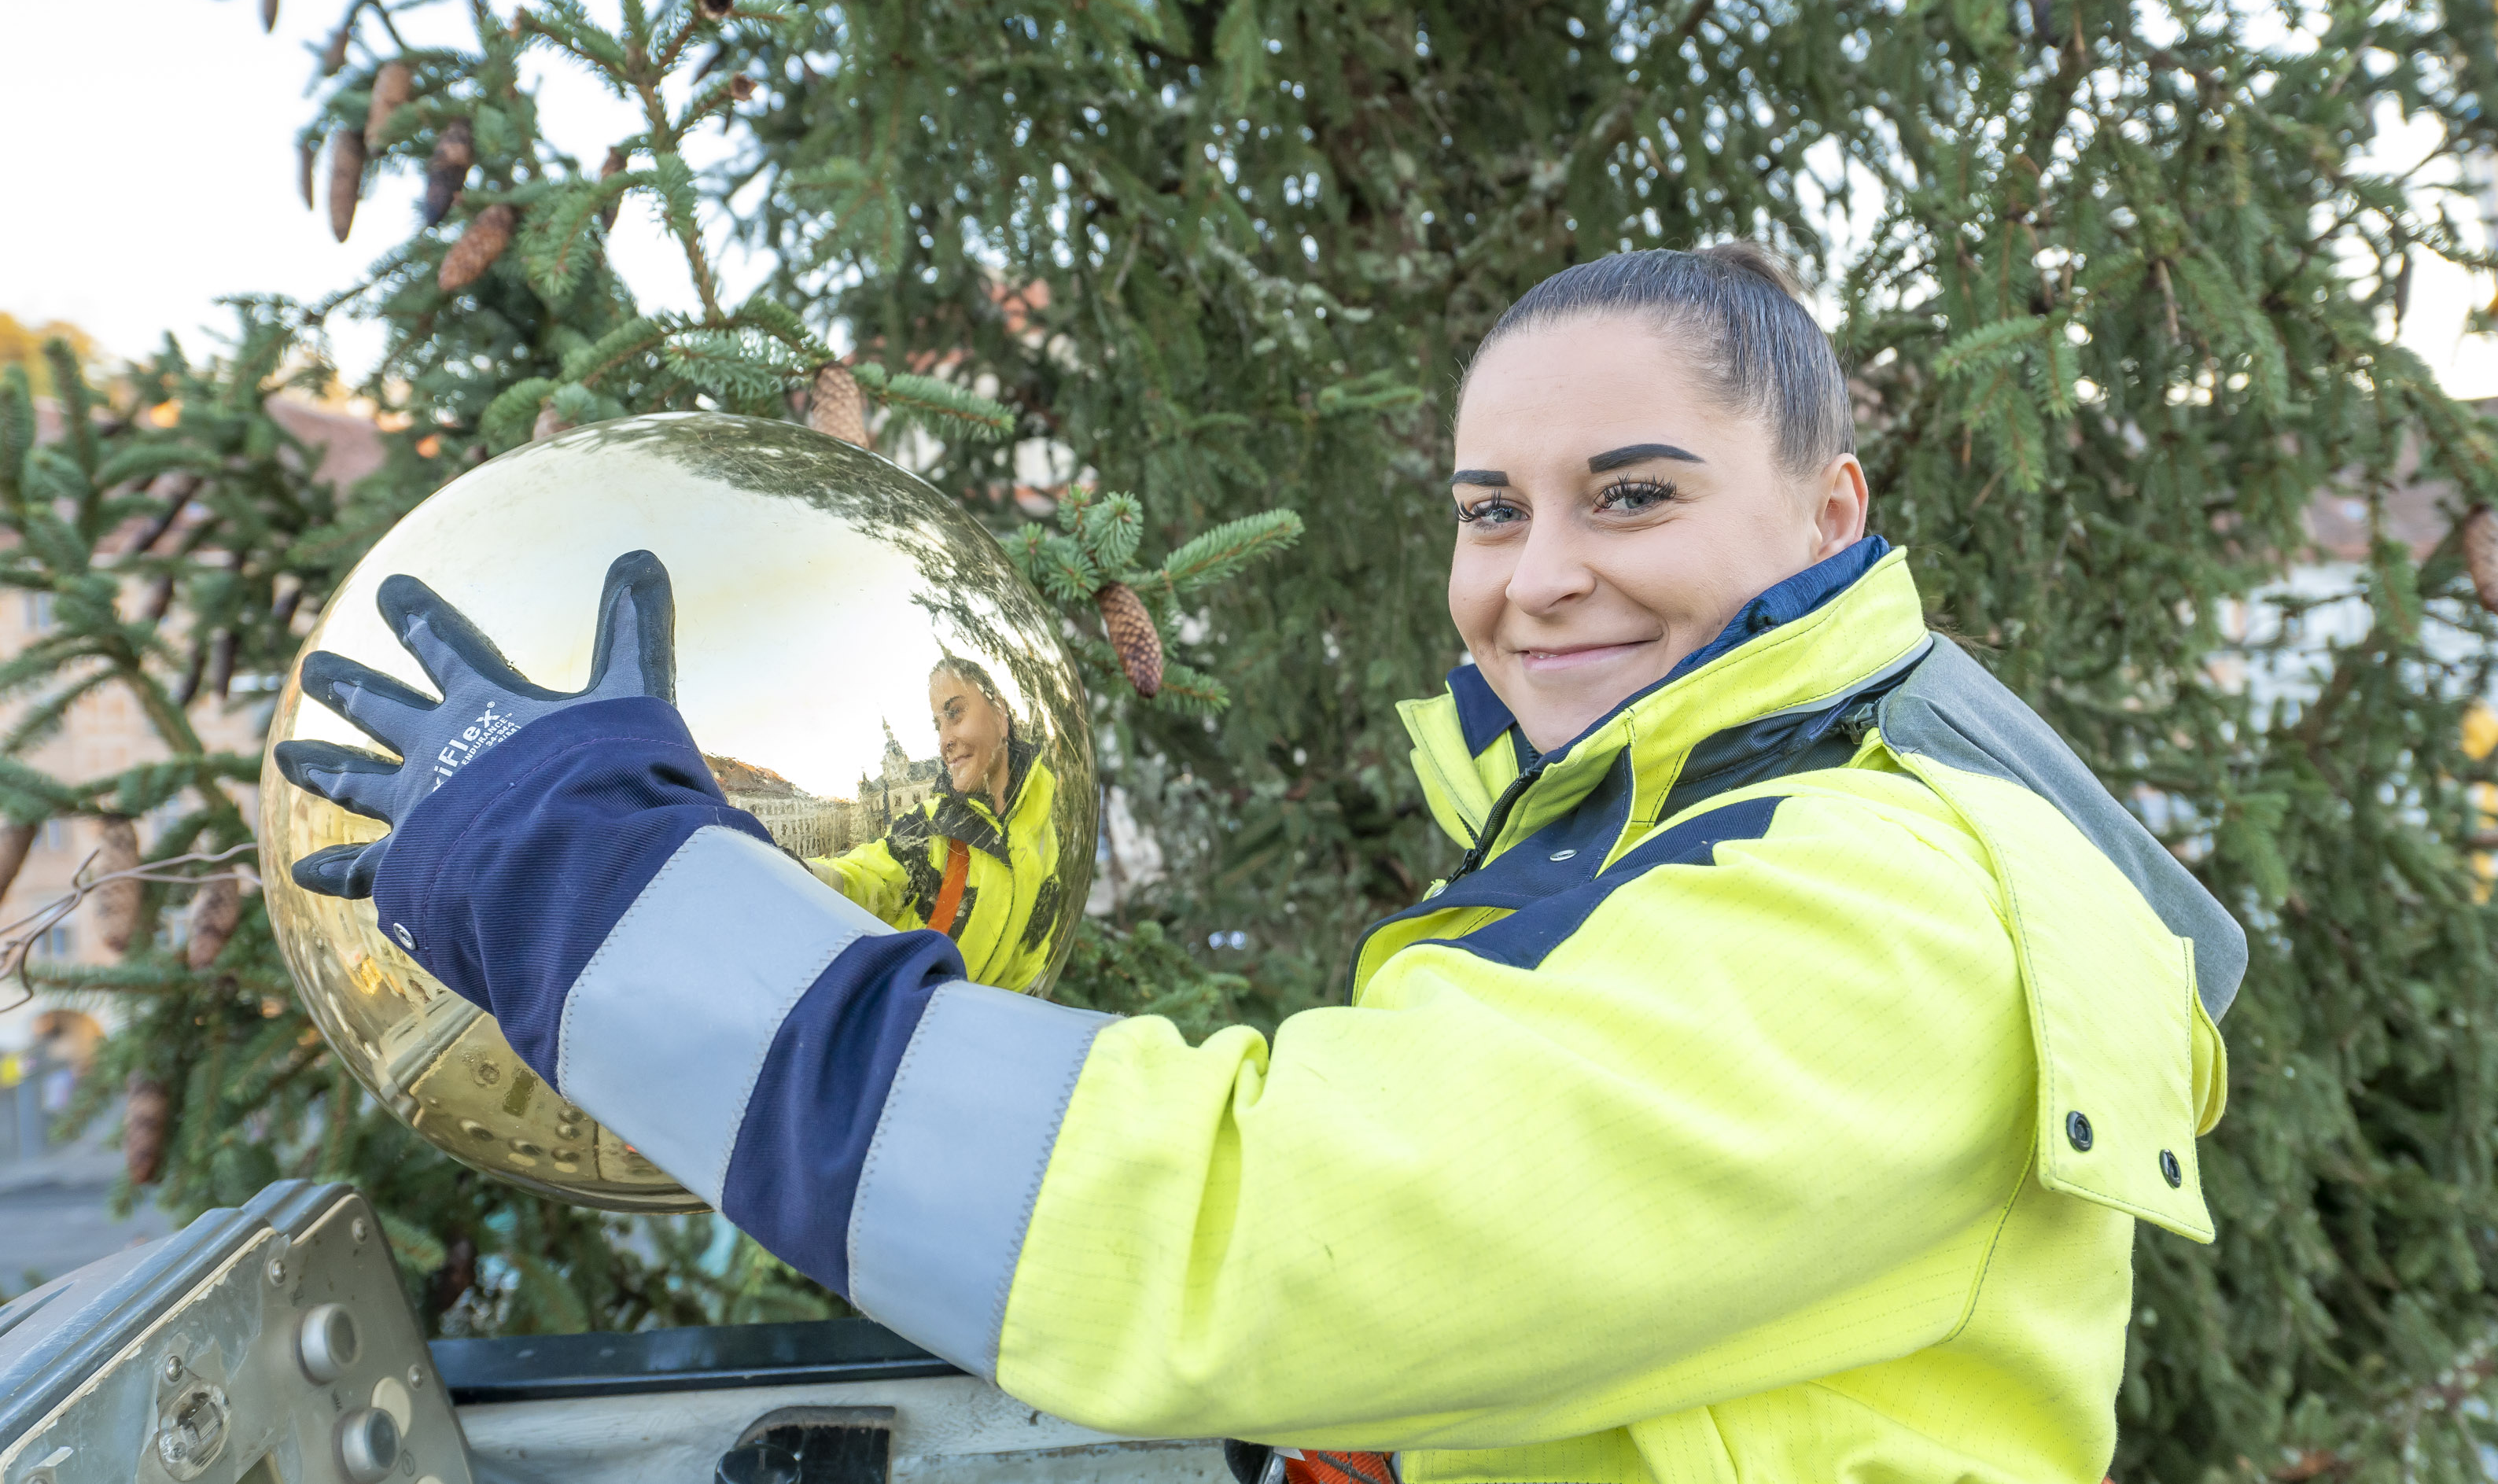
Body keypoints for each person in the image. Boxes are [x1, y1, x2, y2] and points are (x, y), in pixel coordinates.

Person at [278, 244, 2240, 1484]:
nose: (1534, 574)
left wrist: (590, 886)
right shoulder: (1668, 831)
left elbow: (1238, 1230)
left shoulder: (1875, 908)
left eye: (1629, 495)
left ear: (1826, 513)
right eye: (1491, 508)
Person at [811, 657, 1063, 991]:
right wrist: (805, 876)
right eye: (937, 726)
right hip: (919, 1024)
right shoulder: (930, 827)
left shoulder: (1045, 824)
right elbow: (868, 875)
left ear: (1001, 716)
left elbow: (1035, 949)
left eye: (955, 713)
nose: (944, 741)